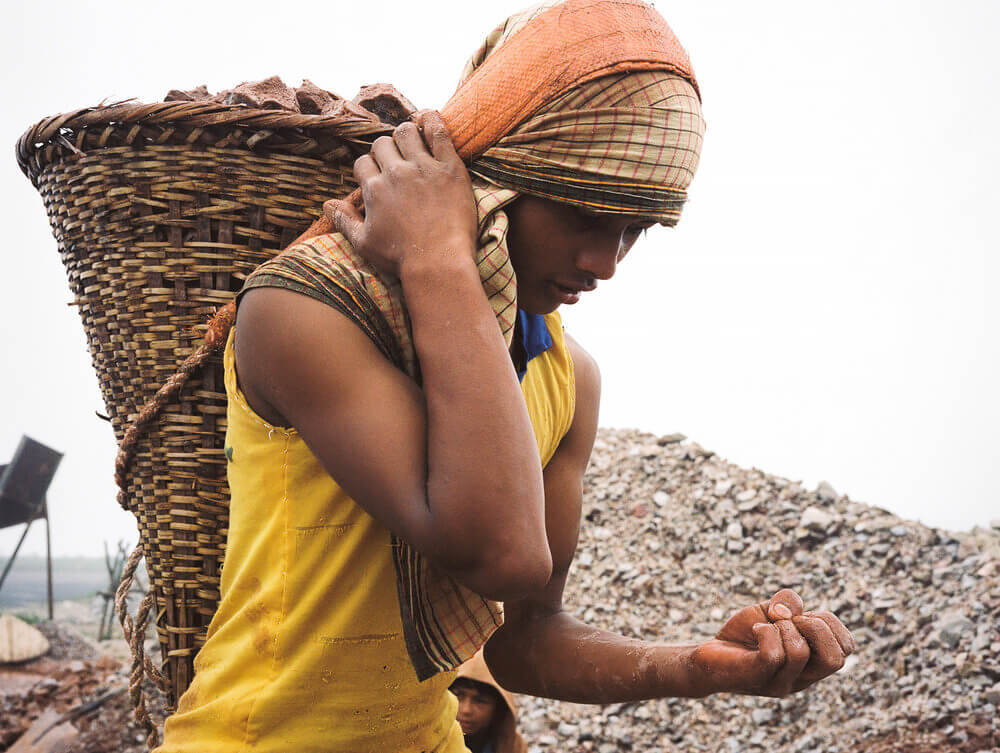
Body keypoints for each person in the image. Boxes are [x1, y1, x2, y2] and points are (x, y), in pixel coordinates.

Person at [156, 1, 855, 751]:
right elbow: (504, 551)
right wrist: (437, 257)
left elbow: (525, 635)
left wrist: (702, 666)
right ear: (501, 177)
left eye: (635, 229)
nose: (606, 263)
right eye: (586, 214)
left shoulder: (566, 373)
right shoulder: (300, 307)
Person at [451, 650, 527, 753]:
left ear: (498, 708)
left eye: (480, 701)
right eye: (458, 696)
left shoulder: (512, 746)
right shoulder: (425, 739)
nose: (466, 710)